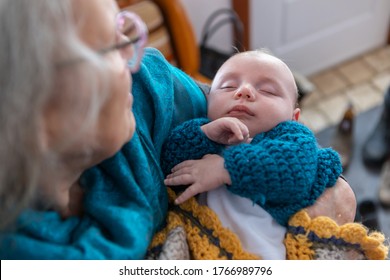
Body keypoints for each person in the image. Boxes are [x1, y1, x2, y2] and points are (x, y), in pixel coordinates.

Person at [0, 0, 368, 260]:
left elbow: (299, 163)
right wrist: (206, 135)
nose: (135, 60)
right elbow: (179, 151)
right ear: (33, 108)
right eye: (113, 47)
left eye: (125, 30)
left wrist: (228, 165)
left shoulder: (148, 87)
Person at [161, 50, 342, 259]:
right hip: (200, 245)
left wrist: (225, 168)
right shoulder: (205, 135)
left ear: (294, 117)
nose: (244, 91)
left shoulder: (293, 138)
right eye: (228, 86)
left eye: (268, 91)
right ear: (207, 100)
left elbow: (293, 171)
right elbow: (170, 169)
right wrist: (204, 134)